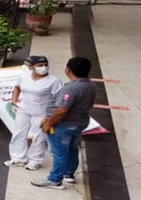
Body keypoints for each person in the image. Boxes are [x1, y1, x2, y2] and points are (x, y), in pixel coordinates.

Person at [32, 56, 96, 190]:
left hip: (65, 125)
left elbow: (62, 110)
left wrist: (48, 123)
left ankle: (54, 180)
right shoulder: (90, 85)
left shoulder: (71, 88)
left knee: (59, 153)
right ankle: (69, 174)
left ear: (69, 70)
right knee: (72, 148)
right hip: (80, 123)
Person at [5, 54, 61, 171]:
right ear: (31, 67)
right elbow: (17, 87)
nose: (43, 67)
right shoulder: (25, 76)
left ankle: (35, 160)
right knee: (18, 133)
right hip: (24, 109)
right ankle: (18, 158)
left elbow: (58, 99)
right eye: (40, 65)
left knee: (39, 137)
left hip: (41, 112)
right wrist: (14, 100)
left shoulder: (53, 81)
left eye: (46, 65)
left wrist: (49, 116)